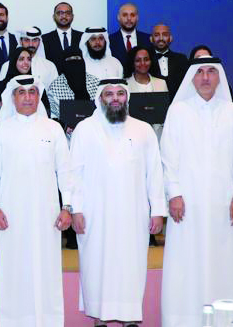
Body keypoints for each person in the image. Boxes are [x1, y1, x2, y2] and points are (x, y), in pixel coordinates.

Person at [160, 57, 233, 327]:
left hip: (224, 204)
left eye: (211, 71)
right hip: (187, 204)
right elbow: (168, 158)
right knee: (186, 263)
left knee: (225, 263)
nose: (206, 77)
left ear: (220, 77)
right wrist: (174, 194)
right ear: (191, 77)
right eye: (199, 72)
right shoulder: (178, 111)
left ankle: (226, 320)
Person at [68, 78, 166, 326]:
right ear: (100, 98)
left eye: (120, 93)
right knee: (96, 264)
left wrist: (157, 210)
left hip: (133, 213)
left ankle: (130, 319)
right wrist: (75, 209)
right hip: (94, 213)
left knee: (130, 264)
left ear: (127, 97)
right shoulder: (84, 129)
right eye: (109, 94)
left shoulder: (143, 130)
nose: (115, 99)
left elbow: (154, 172)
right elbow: (74, 174)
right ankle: (99, 319)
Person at [0, 74, 71, 326]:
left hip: (47, 214)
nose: (27, 97)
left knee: (47, 269)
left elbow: (65, 171)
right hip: (11, 213)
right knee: (14, 269)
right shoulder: (1, 130)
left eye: (32, 92)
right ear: (13, 97)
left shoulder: (53, 128)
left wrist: (67, 207)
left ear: (38, 96)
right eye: (21, 92)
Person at [45, 48, 100, 122]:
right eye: (69, 59)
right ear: (64, 63)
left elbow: (102, 111)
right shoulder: (55, 87)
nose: (74, 62)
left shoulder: (95, 83)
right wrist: (65, 126)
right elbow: (54, 117)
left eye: (77, 58)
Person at [41, 2, 83, 75]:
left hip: (78, 79)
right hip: (53, 81)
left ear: (72, 16)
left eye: (68, 13)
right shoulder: (44, 39)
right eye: (60, 13)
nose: (64, 16)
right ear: (54, 17)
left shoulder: (83, 37)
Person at [149, 23, 189, 98]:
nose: (161, 38)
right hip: (153, 105)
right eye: (157, 35)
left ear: (170, 38)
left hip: (178, 105)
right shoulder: (146, 61)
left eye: (165, 35)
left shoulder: (181, 59)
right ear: (151, 39)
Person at [109, 3, 152, 70]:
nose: (129, 18)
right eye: (125, 15)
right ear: (118, 17)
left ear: (137, 18)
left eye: (132, 15)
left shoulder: (148, 39)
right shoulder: (109, 41)